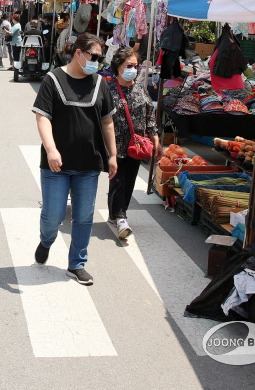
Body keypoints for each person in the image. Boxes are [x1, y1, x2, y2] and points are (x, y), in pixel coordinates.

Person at [32, 33, 117, 286]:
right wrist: (51, 149)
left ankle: (77, 264)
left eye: (100, 58)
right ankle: (46, 241)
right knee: (53, 215)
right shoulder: (53, 79)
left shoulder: (100, 83)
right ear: (78, 53)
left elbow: (107, 122)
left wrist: (112, 155)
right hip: (57, 165)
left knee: (84, 216)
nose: (97, 62)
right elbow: (42, 117)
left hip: (89, 163)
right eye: (94, 56)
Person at [107, 47, 162, 239]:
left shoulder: (140, 89)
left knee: (129, 181)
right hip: (114, 145)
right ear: (118, 66)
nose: (134, 69)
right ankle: (121, 217)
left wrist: (155, 139)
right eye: (129, 65)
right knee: (118, 180)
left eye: (136, 66)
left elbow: (149, 117)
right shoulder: (109, 89)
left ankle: (116, 213)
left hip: (136, 145)